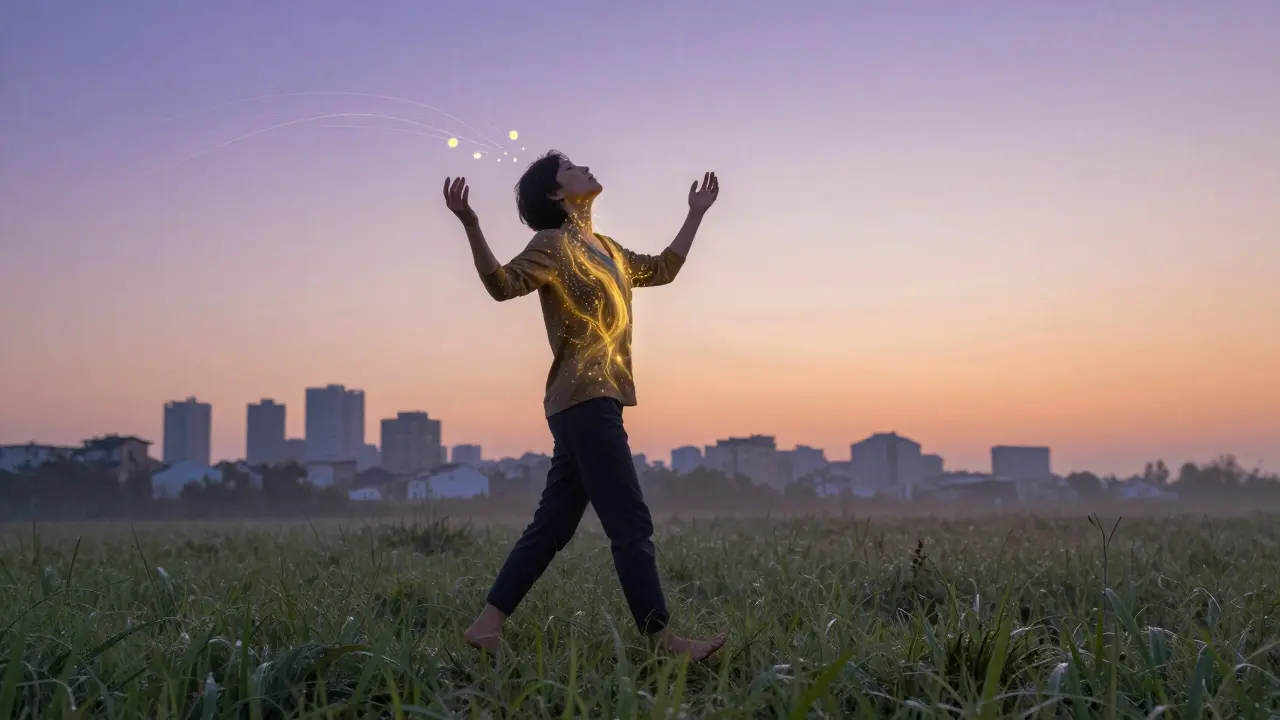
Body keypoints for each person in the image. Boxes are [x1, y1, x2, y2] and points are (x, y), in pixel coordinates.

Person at [442, 150, 726, 661]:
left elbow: (663, 270)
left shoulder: (608, 249)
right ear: (556, 193)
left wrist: (696, 213)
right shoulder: (552, 244)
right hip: (583, 401)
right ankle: (662, 642)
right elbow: (502, 286)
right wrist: (471, 224)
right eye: (570, 168)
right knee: (630, 522)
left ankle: (486, 626)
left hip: (596, 400)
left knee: (553, 525)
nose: (584, 168)